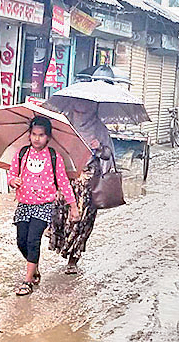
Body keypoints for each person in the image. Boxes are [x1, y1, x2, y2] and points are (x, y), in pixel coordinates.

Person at [8, 116, 79, 296]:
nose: (37, 138)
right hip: (23, 205)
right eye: (34, 134)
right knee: (21, 241)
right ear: (29, 135)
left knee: (33, 240)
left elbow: (63, 183)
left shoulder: (54, 157)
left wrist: (73, 206)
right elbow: (12, 173)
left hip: (43, 206)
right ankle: (35, 267)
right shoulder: (22, 154)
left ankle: (27, 281)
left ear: (48, 137)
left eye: (41, 135)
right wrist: (12, 181)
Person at [50, 99, 113, 275]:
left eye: (86, 106)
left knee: (83, 220)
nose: (81, 109)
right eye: (78, 105)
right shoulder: (62, 123)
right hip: (65, 177)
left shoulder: (99, 129)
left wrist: (99, 147)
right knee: (61, 217)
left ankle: (73, 259)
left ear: (94, 108)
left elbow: (108, 154)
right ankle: (61, 245)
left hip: (88, 181)